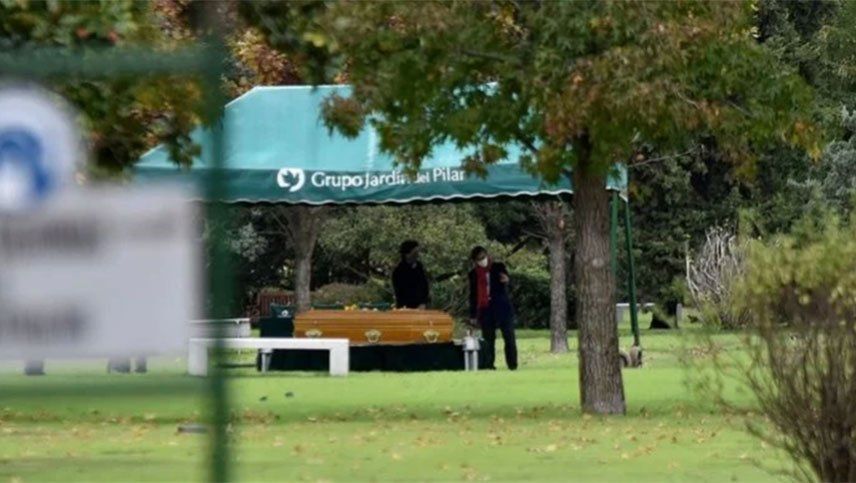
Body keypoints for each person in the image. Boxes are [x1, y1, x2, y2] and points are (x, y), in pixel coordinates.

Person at [468, 246, 518, 370]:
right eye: (479, 259)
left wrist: (506, 280)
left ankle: (512, 365)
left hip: (502, 307)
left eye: (483, 257)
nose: (482, 260)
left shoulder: (498, 267)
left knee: (509, 337)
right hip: (486, 309)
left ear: (487, 255)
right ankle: (489, 365)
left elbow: (507, 279)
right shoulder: (473, 274)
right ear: (475, 261)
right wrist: (473, 315)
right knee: (488, 339)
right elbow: (473, 295)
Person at [392, 240, 430, 309]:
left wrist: (423, 302)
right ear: (407, 254)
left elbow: (424, 286)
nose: (417, 255)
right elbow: (399, 291)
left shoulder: (419, 267)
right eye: (415, 253)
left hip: (421, 306)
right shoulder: (399, 270)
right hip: (406, 307)